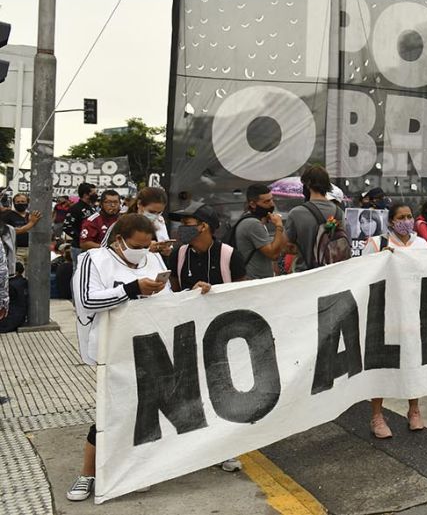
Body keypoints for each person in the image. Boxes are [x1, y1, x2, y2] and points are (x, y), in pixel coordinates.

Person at [66, 214, 177, 501]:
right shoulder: (94, 259)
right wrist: (131, 289)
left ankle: (133, 468)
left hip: (149, 345)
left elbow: (170, 299)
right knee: (110, 410)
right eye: (136, 245)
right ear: (119, 240)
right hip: (111, 349)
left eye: (146, 245)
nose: (142, 251)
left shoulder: (152, 259)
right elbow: (88, 300)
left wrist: (194, 293)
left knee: (143, 411)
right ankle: (87, 474)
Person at [167, 202, 247, 472]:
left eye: (187, 223)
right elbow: (176, 292)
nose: (181, 229)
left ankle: (226, 448)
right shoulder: (178, 255)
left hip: (222, 335)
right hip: (188, 333)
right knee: (189, 390)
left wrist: (213, 293)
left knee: (222, 391)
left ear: (204, 227)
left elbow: (243, 293)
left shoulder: (229, 255)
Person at [365, 202, 427, 438]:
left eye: (410, 216)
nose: (407, 221)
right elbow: (362, 273)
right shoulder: (377, 244)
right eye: (401, 217)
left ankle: (414, 410)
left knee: (413, 360)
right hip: (385, 312)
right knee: (381, 363)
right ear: (391, 221)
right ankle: (377, 416)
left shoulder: (421, 244)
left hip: (413, 311)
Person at [285, 165, 344, 271]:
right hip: (332, 275)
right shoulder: (339, 213)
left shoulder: (296, 213)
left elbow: (286, 246)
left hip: (304, 275)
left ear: (308, 184)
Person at [234, 184, 288, 279]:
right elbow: (273, 254)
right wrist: (279, 226)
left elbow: (281, 247)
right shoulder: (253, 224)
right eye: (267, 201)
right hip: (255, 281)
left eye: (272, 199)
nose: (272, 204)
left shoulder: (258, 221)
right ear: (253, 204)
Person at [0, 192, 43, 266]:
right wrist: (31, 223)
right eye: (18, 202)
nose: (20, 203)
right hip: (16, 250)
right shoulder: (7, 215)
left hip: (32, 249)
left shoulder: (31, 215)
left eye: (23, 201)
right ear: (14, 203)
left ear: (27, 202)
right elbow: (12, 231)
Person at [62, 183, 97, 257]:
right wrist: (80, 237)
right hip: (78, 247)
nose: (96, 195)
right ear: (85, 195)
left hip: (91, 246)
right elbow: (66, 227)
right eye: (93, 193)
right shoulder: (75, 208)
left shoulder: (92, 208)